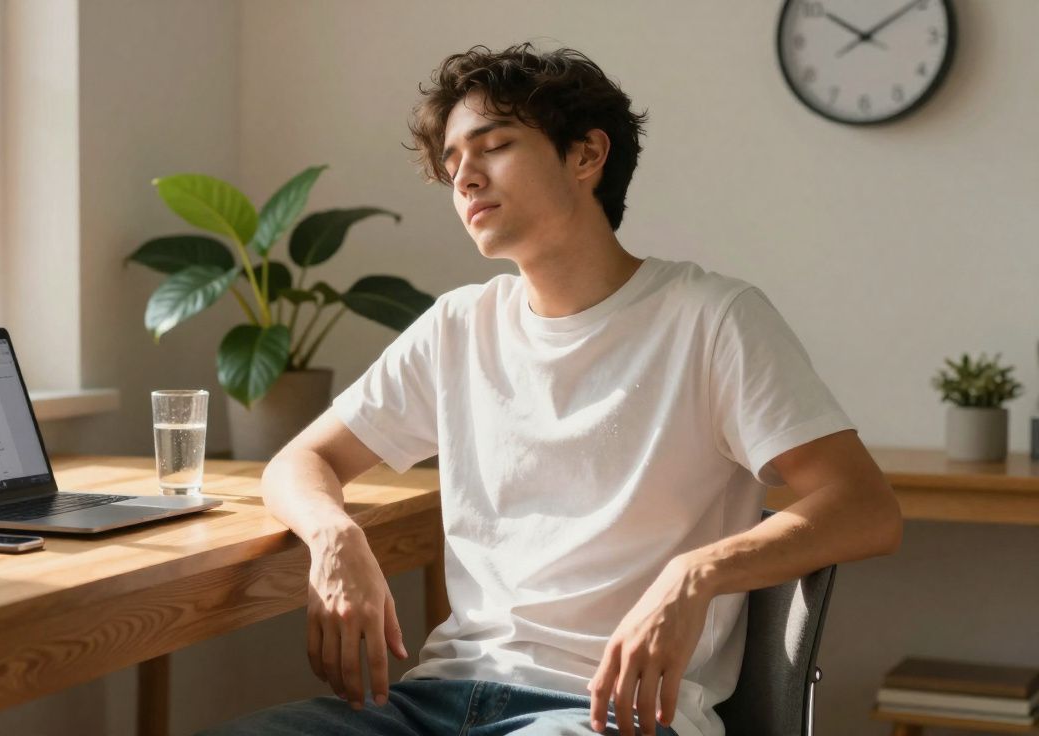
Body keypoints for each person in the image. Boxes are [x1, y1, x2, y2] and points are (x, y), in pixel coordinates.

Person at [198, 42, 902, 736]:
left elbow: (865, 507)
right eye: (452, 163)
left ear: (586, 155)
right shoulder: (459, 325)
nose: (465, 178)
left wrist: (697, 573)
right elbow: (301, 461)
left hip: (604, 714)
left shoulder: (712, 319)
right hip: (433, 701)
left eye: (493, 146)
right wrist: (335, 535)